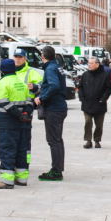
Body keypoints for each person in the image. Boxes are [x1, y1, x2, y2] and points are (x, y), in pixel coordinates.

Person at [0, 59, 34, 189]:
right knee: (21, 150)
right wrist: (24, 114)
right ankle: (21, 178)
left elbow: (5, 103)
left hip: (7, 122)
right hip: (21, 123)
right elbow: (29, 102)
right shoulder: (21, 83)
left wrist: (17, 114)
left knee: (7, 149)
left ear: (2, 70)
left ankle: (6, 180)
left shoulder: (2, 83)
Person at [36, 45, 68, 182]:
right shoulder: (57, 67)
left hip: (54, 109)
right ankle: (58, 169)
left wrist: (41, 98)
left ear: (42, 56)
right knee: (58, 140)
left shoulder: (49, 68)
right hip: (60, 107)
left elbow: (54, 85)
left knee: (53, 141)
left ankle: (56, 172)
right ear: (55, 56)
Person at [78, 56, 111, 148]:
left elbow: (109, 88)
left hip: (99, 104)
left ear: (97, 64)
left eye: (91, 63)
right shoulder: (85, 75)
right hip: (87, 103)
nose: (89, 65)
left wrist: (103, 98)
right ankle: (88, 140)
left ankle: (97, 140)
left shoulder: (105, 75)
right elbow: (80, 87)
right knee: (88, 122)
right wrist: (82, 98)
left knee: (99, 125)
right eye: (88, 63)